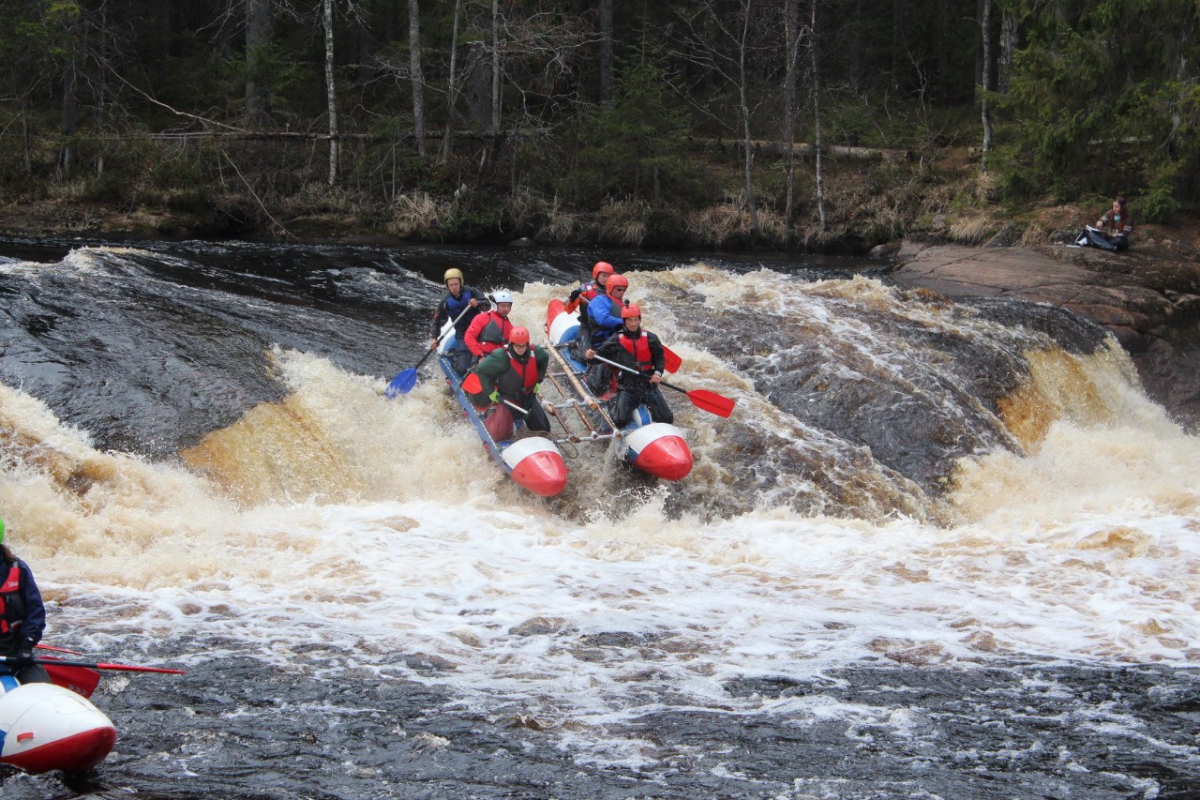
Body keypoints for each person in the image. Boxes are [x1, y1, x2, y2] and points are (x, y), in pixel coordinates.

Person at [586, 304, 674, 428]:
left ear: (639, 320)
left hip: (648, 385)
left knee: (667, 418)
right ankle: (613, 402)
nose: (633, 324)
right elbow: (601, 355)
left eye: (636, 320)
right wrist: (592, 356)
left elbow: (660, 360)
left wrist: (657, 373)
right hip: (628, 386)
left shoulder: (651, 338)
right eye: (630, 320)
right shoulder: (617, 339)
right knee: (620, 421)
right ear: (624, 321)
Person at [466, 327, 553, 442]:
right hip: (508, 399)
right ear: (511, 344)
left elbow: (544, 360)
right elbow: (481, 371)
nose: (521, 349)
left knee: (544, 429)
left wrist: (538, 380)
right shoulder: (501, 356)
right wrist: (491, 392)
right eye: (517, 346)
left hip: (529, 397)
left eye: (523, 346)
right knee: (499, 435)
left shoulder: (536, 352)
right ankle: (493, 412)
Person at [0, 519, 49, 686]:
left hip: (15, 654)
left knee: (41, 687)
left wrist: (27, 645)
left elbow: (36, 612)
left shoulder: (17, 569)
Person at [430, 268, 490, 376]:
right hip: (462, 334)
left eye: (456, 284)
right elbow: (437, 321)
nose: (454, 287)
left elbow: (487, 305)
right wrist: (434, 338)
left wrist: (478, 303)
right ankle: (452, 355)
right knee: (462, 369)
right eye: (451, 285)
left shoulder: (471, 291)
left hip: (479, 331)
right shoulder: (445, 302)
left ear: (461, 282)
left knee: (479, 361)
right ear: (447, 285)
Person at [584, 274, 629, 395]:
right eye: (618, 289)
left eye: (624, 290)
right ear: (610, 288)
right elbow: (602, 319)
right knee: (597, 386)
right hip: (601, 345)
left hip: (618, 344)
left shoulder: (624, 304)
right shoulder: (599, 301)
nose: (622, 292)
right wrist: (626, 323)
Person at [567, 262, 614, 360]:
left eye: (608, 276)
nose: (606, 279)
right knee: (587, 358)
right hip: (587, 328)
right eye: (604, 276)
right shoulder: (585, 290)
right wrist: (572, 299)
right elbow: (568, 310)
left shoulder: (614, 291)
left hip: (605, 329)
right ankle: (574, 349)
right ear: (596, 275)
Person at [463, 290, 515, 364]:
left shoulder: (511, 328)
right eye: (503, 306)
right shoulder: (482, 318)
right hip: (480, 356)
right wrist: (480, 355)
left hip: (497, 360)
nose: (506, 309)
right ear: (495, 305)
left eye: (508, 306)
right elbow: (469, 337)